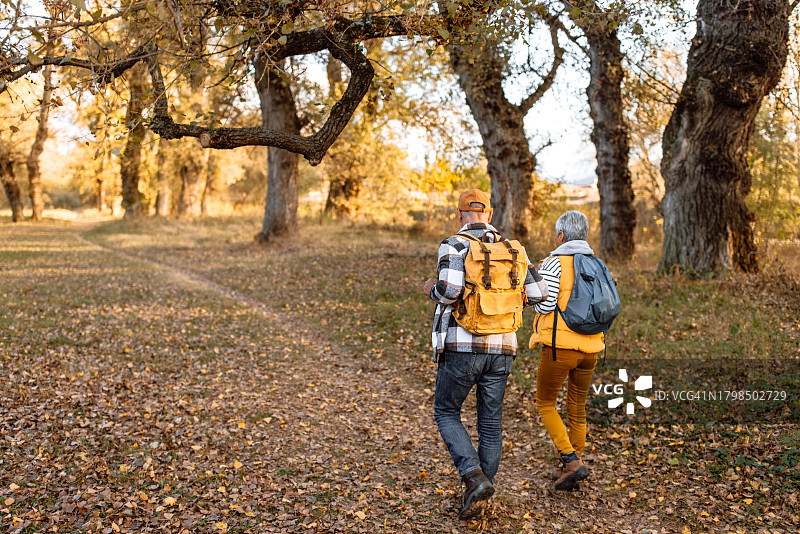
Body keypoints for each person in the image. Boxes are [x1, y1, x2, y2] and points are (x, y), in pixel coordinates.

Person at [422, 189, 548, 520]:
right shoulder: (514, 249)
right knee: (490, 423)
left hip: (463, 346)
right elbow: (539, 294)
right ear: (489, 215)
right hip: (503, 348)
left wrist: (430, 288)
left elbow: (448, 292)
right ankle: (481, 498)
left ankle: (474, 477)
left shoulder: (455, 244)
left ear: (461, 214)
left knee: (446, 411)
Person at [530, 210, 605, 491]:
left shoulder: (554, 262)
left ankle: (571, 460)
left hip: (559, 347)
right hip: (592, 347)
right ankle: (573, 463)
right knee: (577, 407)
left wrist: (535, 284)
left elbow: (543, 305)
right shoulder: (597, 263)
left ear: (561, 235)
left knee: (545, 403)